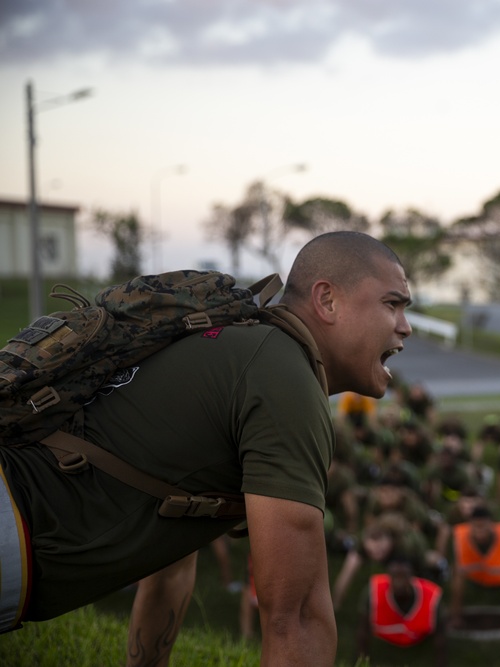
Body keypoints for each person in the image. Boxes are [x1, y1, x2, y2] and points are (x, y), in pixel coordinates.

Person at [0, 231, 412, 665]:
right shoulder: (284, 379)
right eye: (392, 304)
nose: (405, 325)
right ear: (327, 300)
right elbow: (299, 617)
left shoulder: (244, 346)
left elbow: (171, 559)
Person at [357, 555, 447, 667]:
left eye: (403, 576)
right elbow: (363, 632)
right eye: (395, 577)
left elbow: (440, 640)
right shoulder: (373, 592)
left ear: (412, 576)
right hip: (386, 645)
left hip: (419, 642)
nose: (399, 582)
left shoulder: (432, 597)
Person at [449, 506, 500, 625]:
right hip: (474, 575)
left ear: (491, 525)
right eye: (476, 526)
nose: (480, 530)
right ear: (470, 525)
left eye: (483, 526)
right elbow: (459, 567)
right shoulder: (460, 534)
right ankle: (456, 616)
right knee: (456, 575)